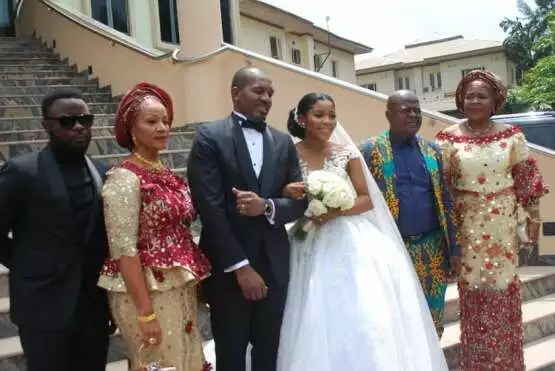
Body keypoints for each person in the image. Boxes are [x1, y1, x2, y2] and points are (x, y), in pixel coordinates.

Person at [277, 92, 448, 371]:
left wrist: (336, 209)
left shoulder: (347, 152)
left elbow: (366, 198)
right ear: (302, 118)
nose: (328, 121)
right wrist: (287, 191)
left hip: (349, 236)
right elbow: (280, 193)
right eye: (319, 115)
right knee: (311, 308)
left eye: (332, 115)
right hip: (306, 236)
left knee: (365, 312)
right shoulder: (288, 155)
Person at [187, 67, 307, 371]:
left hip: (274, 266)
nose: (266, 98)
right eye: (258, 91)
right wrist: (240, 268)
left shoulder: (283, 142)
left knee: (269, 353)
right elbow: (209, 208)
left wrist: (267, 206)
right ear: (235, 92)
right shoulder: (209, 137)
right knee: (231, 353)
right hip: (229, 270)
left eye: (270, 93)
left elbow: (299, 203)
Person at [435, 70, 548, 370]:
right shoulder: (448, 138)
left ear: (494, 100)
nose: (474, 100)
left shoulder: (512, 136)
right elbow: (442, 187)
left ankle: (507, 364)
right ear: (460, 99)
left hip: (502, 229)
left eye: (481, 95)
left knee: (503, 295)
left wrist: (533, 223)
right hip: (467, 229)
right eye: (469, 95)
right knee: (473, 298)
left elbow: (527, 182)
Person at [96, 82, 212, 371]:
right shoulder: (124, 178)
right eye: (151, 121)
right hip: (144, 294)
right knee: (161, 365)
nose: (162, 128)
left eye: (165, 121)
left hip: (177, 286)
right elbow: (123, 250)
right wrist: (146, 315)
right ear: (131, 129)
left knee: (188, 362)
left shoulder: (166, 173)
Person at [0, 88, 111, 371]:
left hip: (93, 308)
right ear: (45, 125)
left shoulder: (102, 171)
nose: (78, 127)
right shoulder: (22, 171)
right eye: (67, 121)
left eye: (85, 120)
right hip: (43, 307)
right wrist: (27, 264)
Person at [359, 90, 460, 337]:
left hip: (433, 247)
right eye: (406, 110)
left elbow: (447, 200)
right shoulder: (369, 150)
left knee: (433, 316)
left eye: (417, 110)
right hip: (392, 248)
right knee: (397, 316)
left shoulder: (433, 150)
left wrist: (455, 249)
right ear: (389, 115)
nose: (413, 115)